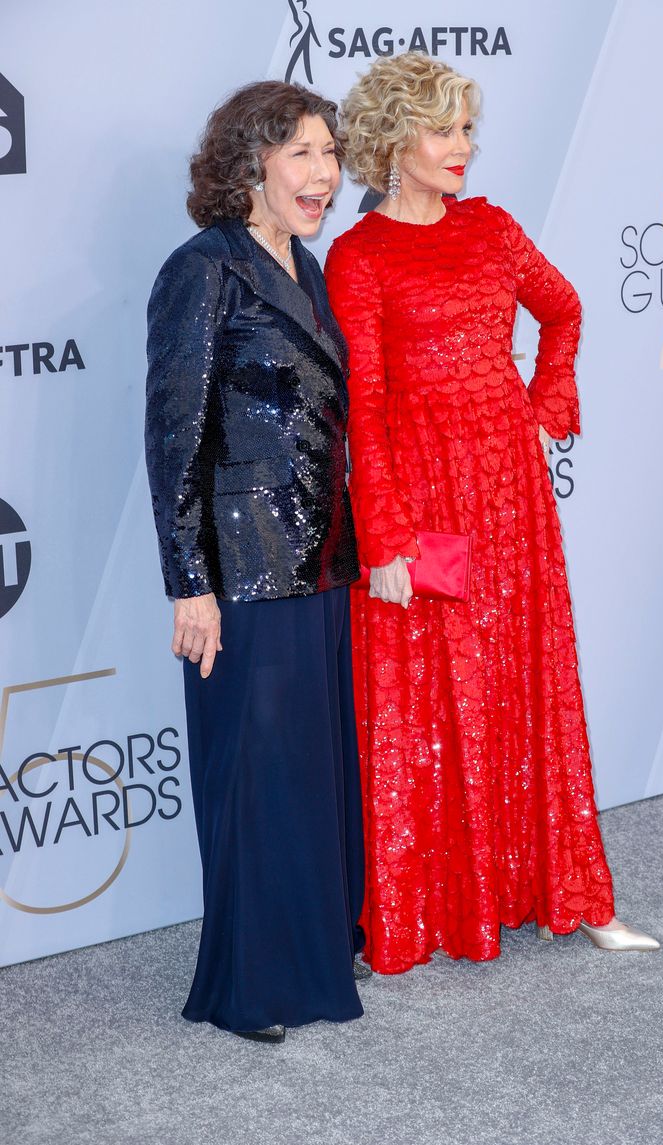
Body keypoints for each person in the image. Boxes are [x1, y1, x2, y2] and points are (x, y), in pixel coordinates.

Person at [324, 53, 659, 975]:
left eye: (468, 129)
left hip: (510, 498)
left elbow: (563, 309)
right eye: (444, 130)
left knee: (524, 678)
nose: (463, 147)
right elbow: (364, 406)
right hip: (426, 504)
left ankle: (566, 892)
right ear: (395, 143)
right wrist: (384, 536)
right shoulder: (357, 258)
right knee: (434, 692)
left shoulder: (493, 229)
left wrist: (544, 408)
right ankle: (436, 907)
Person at [145, 80, 368, 1042]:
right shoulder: (204, 269)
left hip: (318, 562)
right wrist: (190, 584)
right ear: (252, 163)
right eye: (304, 154)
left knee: (309, 774)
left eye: (330, 154)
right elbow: (173, 435)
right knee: (254, 774)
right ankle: (251, 985)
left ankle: (315, 948)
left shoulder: (305, 263)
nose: (325, 173)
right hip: (241, 570)